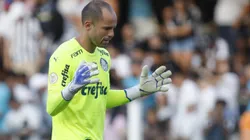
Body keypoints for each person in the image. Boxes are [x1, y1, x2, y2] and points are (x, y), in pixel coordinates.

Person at [46, 1, 172, 140]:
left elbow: (102, 97)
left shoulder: (104, 56)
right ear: (88, 25)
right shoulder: (63, 54)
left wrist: (138, 91)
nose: (111, 34)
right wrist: (71, 89)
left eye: (113, 28)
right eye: (106, 28)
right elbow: (51, 107)